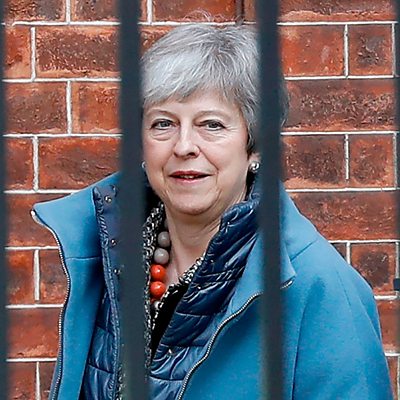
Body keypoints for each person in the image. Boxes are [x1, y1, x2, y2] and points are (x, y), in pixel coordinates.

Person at [32, 25, 393, 399]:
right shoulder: (108, 259)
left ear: (255, 147)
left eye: (211, 125)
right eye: (163, 123)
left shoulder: (322, 289)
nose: (184, 146)